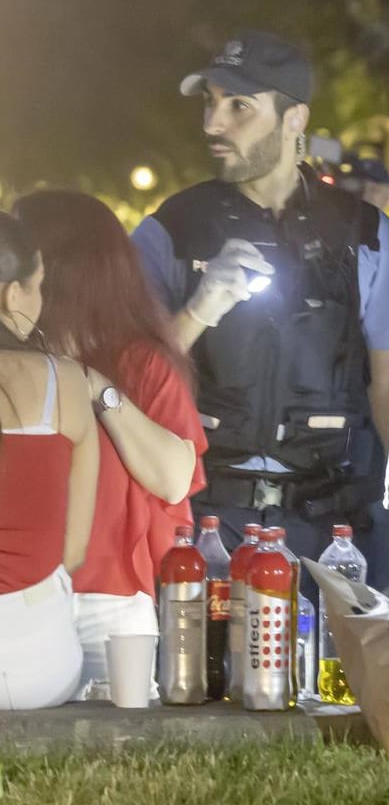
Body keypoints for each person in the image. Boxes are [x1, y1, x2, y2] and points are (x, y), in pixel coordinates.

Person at [132, 30, 389, 585]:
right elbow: (128, 379)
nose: (213, 123)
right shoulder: (172, 227)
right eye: (210, 103)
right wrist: (200, 309)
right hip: (206, 523)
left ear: (294, 120)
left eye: (239, 106)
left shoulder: (367, 234)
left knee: (331, 674)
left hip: (332, 528)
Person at [13, 191, 208, 700]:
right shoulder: (16, 365)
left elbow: (173, 477)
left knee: (117, 752)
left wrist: (95, 387)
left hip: (108, 605)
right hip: (22, 597)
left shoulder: (142, 365)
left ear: (60, 270)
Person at [0, 213, 99, 710]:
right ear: (12, 295)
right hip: (37, 664)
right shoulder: (66, 382)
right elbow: (73, 550)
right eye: (37, 287)